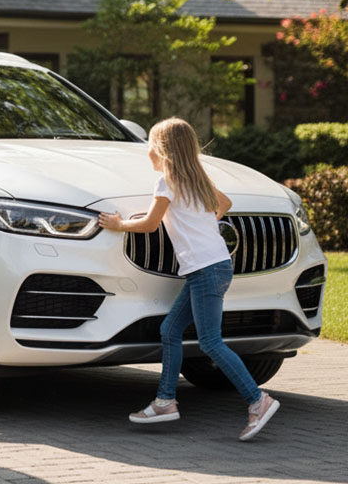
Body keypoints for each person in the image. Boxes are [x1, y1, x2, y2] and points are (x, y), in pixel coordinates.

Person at [98, 117, 280, 441]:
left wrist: (119, 223)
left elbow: (150, 225)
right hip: (214, 265)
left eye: (151, 146)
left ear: (163, 151)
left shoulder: (166, 182)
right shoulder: (196, 179)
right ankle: (165, 401)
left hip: (206, 269)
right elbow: (225, 204)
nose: (148, 153)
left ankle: (258, 400)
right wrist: (201, 226)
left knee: (211, 342)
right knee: (170, 329)